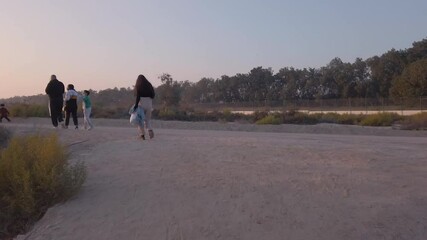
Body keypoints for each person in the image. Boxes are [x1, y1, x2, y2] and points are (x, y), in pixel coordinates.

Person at [133, 74, 155, 139]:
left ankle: (142, 135)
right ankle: (150, 130)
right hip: (149, 104)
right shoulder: (149, 85)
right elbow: (153, 95)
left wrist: (136, 106)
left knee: (140, 120)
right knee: (147, 120)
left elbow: (137, 97)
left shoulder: (138, 86)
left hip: (141, 105)